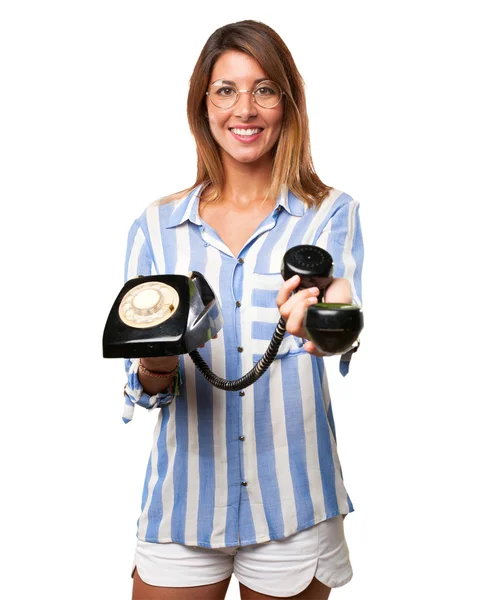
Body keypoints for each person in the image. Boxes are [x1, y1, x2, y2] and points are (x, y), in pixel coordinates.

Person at [121, 20, 364, 600]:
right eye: (226, 89)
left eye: (264, 89)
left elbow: (342, 325)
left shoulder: (329, 214)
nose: (244, 109)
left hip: (294, 505)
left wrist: (323, 323)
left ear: (287, 101)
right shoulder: (156, 227)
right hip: (184, 503)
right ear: (203, 104)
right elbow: (143, 385)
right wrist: (156, 361)